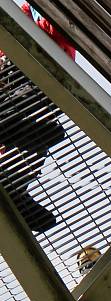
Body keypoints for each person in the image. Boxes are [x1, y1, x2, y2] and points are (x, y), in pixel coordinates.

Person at [0, 3, 76, 233]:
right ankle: (15, 187)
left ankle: (15, 187)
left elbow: (55, 28)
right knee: (36, 129)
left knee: (39, 128)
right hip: (26, 78)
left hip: (38, 78)